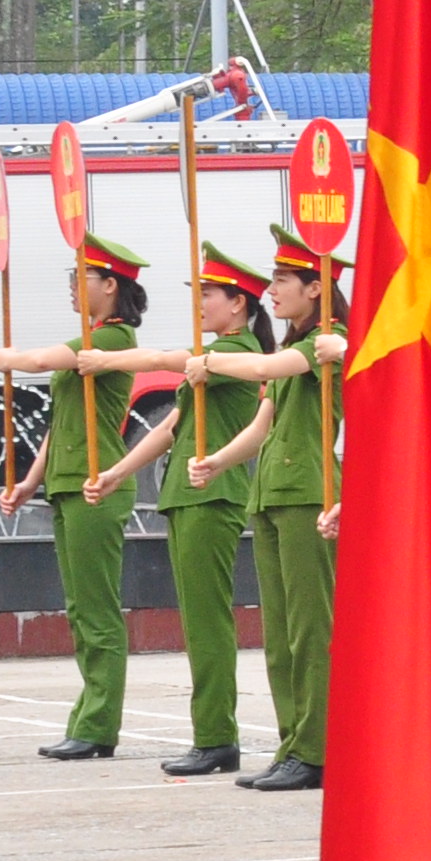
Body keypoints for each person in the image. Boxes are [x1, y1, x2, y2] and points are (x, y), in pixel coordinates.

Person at [87, 243, 271, 780]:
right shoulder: (212, 361)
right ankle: (212, 735)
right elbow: (170, 430)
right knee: (198, 621)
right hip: (188, 497)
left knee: (207, 623)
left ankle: (216, 738)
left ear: (238, 304)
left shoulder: (231, 354)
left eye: (209, 294)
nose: (201, 305)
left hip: (213, 496)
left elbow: (165, 360)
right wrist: (119, 472)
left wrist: (106, 359)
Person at [182, 225, 349, 792]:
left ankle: (320, 748)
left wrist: (210, 363)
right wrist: (217, 462)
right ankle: (293, 743)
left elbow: (263, 371)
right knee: (279, 635)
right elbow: (263, 424)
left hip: (311, 494)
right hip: (272, 496)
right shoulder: (293, 344)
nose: (272, 291)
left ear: (316, 288)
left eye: (282, 281)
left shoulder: (326, 342)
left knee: (310, 630)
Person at [3, 233, 149, 758]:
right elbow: (60, 421)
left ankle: (98, 726)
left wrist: (9, 357)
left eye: (80, 278)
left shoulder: (113, 339)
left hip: (97, 484)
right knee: (78, 608)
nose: (71, 287)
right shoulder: (88, 341)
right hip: (68, 481)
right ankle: (88, 720)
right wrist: (30, 480)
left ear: (110, 286)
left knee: (97, 609)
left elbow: (41, 362)